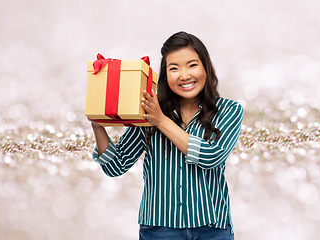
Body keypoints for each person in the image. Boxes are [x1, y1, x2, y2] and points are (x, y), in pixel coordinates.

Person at [90, 31, 243, 240]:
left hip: (212, 228)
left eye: (192, 65)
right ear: (165, 75)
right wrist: (97, 121)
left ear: (206, 68)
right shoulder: (148, 111)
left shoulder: (228, 110)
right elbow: (115, 166)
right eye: (174, 68)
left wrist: (161, 120)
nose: (184, 75)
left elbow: (212, 157)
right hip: (159, 231)